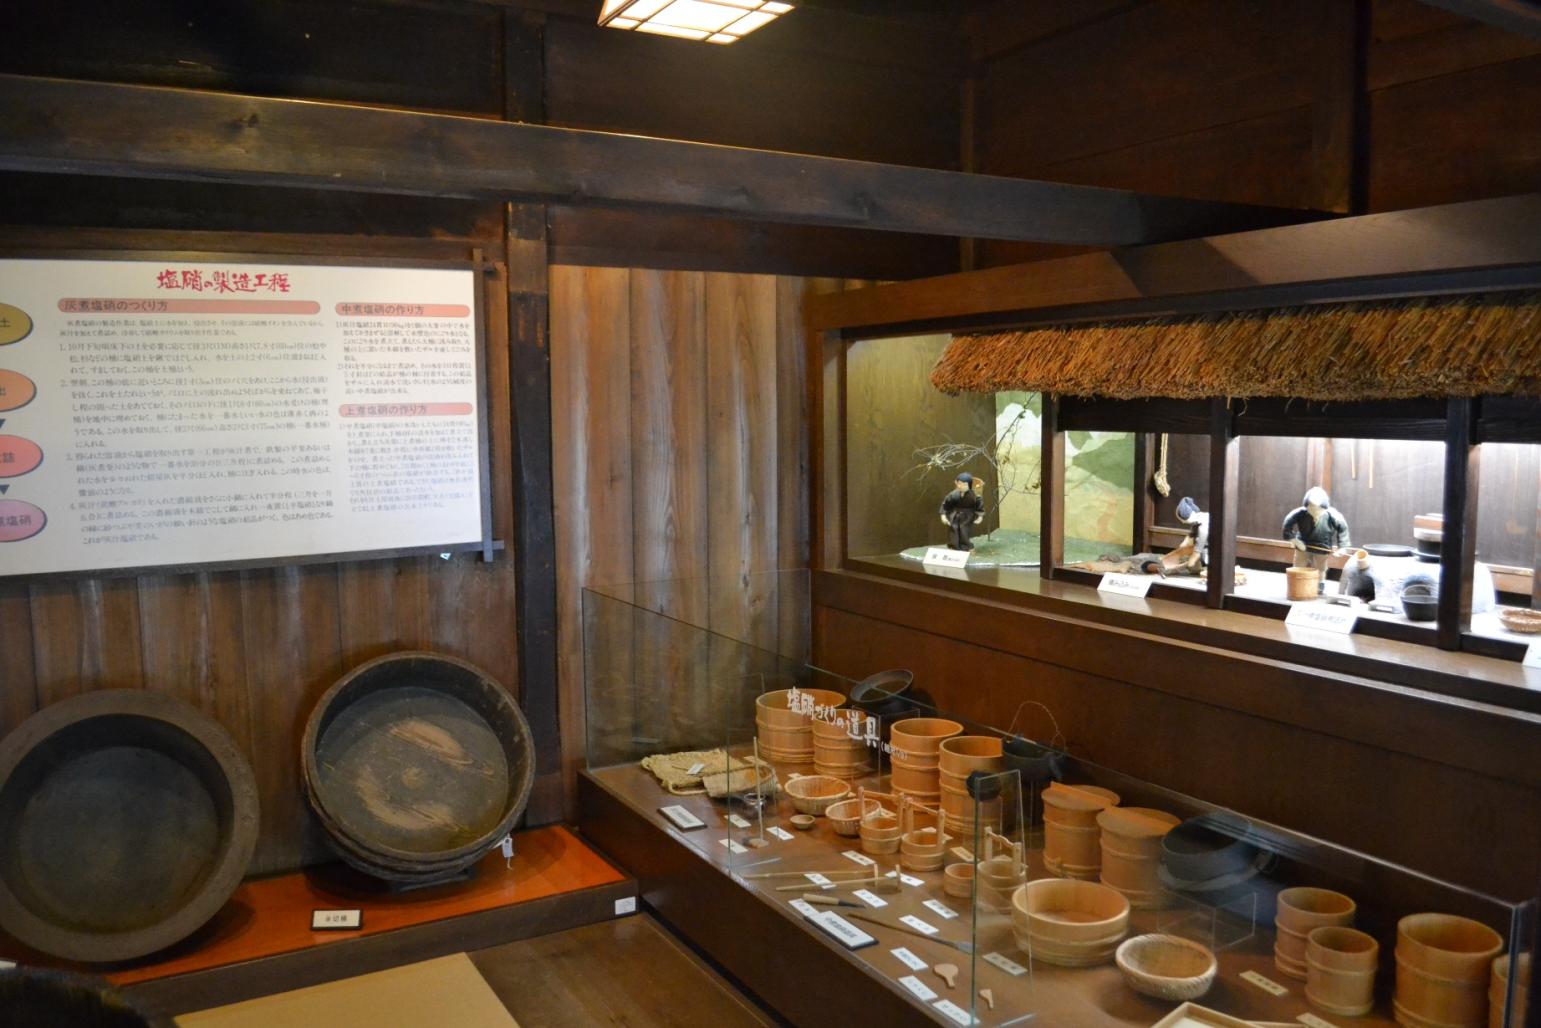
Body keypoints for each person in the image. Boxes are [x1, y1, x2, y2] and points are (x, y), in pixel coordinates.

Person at [1281, 486, 1351, 590]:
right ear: (1306, 506)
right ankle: (1297, 585)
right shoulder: (1301, 513)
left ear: (1324, 507)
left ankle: (1319, 585)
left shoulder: (1331, 514)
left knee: (1320, 568)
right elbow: (1287, 525)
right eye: (1311, 508)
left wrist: (1343, 547)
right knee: (1299, 565)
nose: (1314, 511)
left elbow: (1343, 528)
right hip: (1303, 545)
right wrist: (1294, 540)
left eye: (1318, 508)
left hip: (1322, 546)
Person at [939, 472, 985, 551]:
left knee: (964, 530)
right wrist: (943, 515)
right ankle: (954, 546)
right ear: (956, 483)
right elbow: (946, 504)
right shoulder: (953, 494)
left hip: (967, 515)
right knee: (953, 529)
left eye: (964, 484)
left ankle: (966, 546)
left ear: (969, 485)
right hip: (955, 514)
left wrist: (980, 516)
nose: (961, 486)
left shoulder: (974, 495)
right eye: (959, 484)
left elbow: (979, 506)